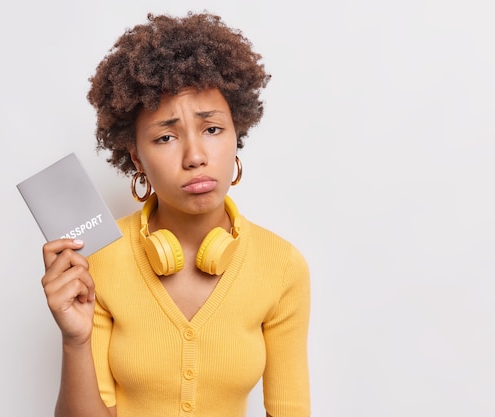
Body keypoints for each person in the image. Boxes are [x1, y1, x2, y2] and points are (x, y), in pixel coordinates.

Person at [40, 12, 310, 417]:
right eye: (165, 137)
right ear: (137, 158)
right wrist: (74, 341)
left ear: (238, 133)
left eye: (213, 129)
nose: (196, 156)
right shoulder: (98, 257)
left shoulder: (282, 266)